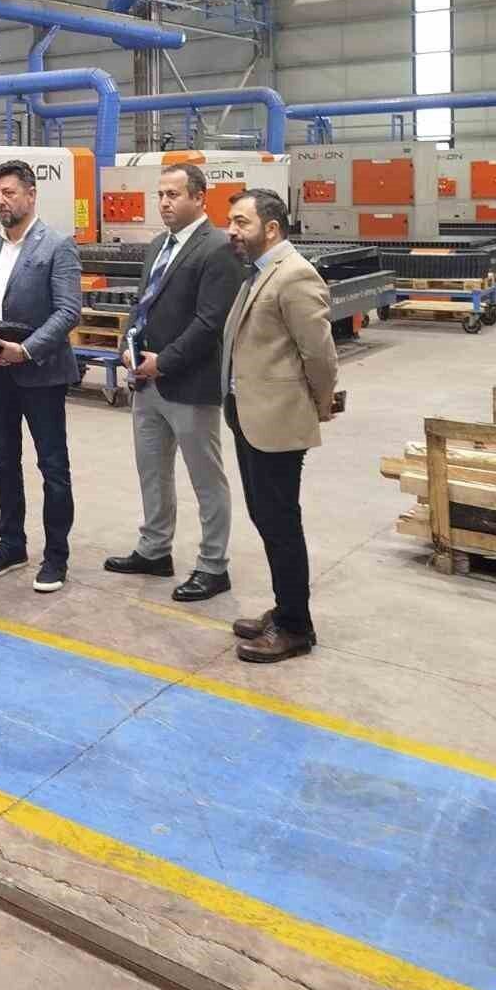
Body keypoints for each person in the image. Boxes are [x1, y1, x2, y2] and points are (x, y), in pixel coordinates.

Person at [104, 164, 243, 601]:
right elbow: (142, 304)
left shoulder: (218, 248)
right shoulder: (158, 245)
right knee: (152, 471)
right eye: (160, 194)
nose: (164, 202)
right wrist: (127, 345)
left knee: (206, 478)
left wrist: (162, 363)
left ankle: (213, 565)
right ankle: (154, 549)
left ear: (200, 197)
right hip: (146, 384)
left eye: (173, 195)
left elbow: (210, 322)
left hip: (189, 385)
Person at [223, 188, 338, 663]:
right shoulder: (259, 272)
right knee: (266, 517)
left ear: (271, 228)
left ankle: (295, 628)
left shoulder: (294, 275)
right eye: (231, 221)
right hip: (250, 416)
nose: (231, 230)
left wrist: (320, 404)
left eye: (241, 222)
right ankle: (286, 608)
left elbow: (320, 355)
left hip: (277, 419)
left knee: (281, 522)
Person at [0, 159, 82, 593]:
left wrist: (26, 350)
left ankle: (56, 557)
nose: (1, 201)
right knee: (3, 462)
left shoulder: (57, 246)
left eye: (9, 192)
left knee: (53, 466)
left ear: (31, 195)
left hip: (41, 373)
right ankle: (11, 545)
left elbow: (68, 311)